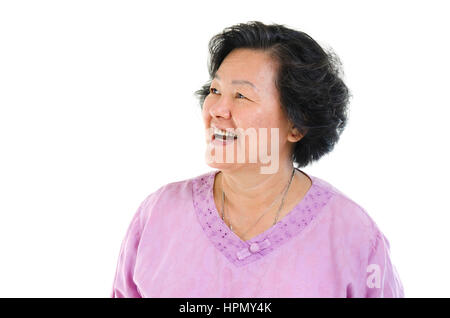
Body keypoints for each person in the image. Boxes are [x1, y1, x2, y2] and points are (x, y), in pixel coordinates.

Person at [111, 21, 404, 297]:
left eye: (241, 96)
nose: (217, 110)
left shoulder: (352, 234)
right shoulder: (158, 214)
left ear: (297, 125)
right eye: (215, 90)